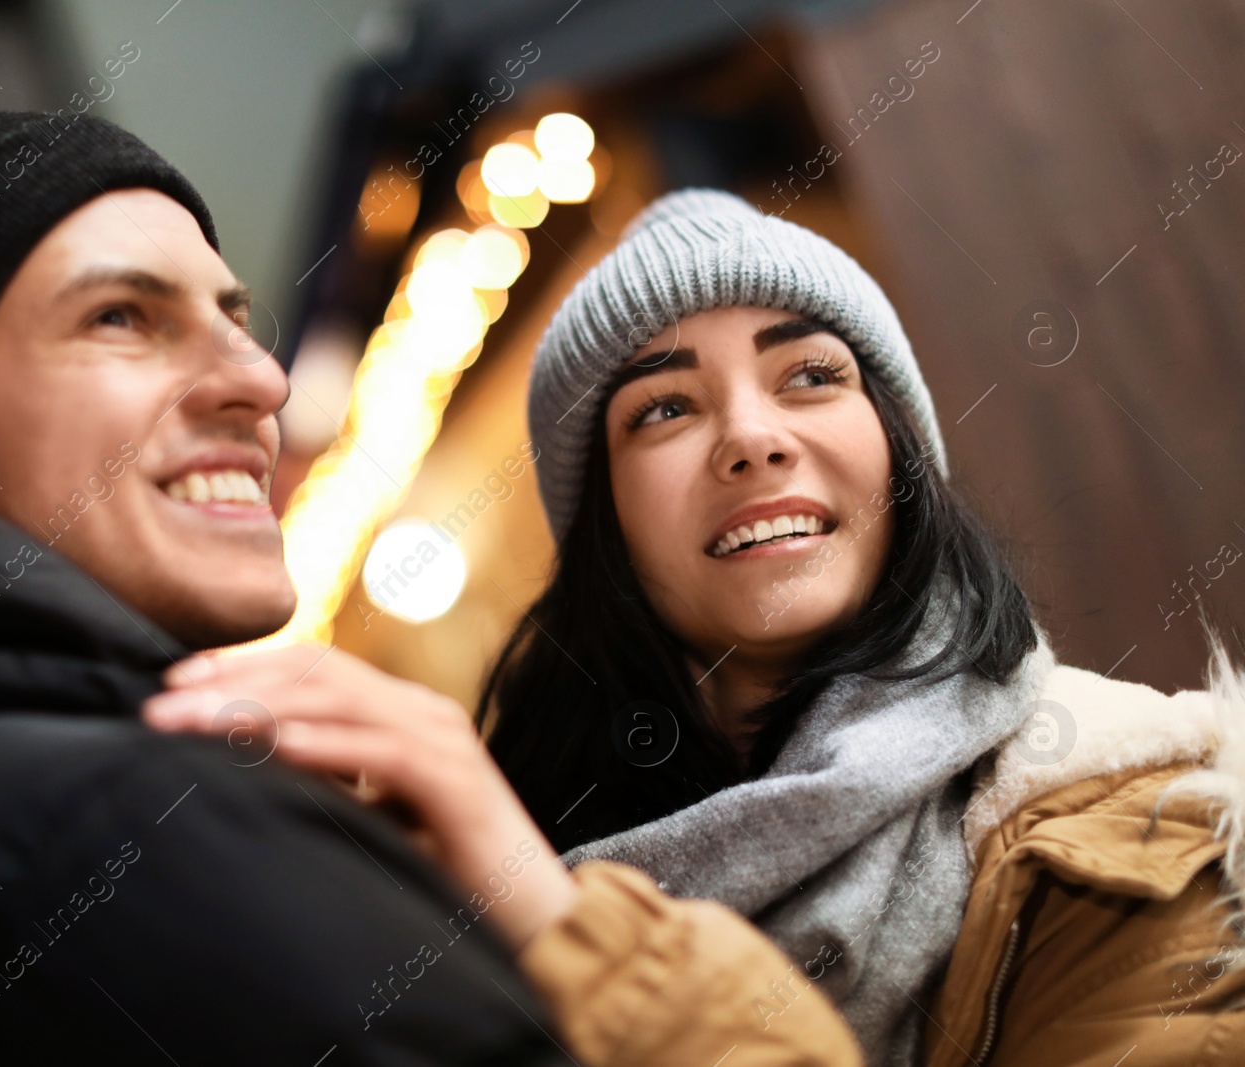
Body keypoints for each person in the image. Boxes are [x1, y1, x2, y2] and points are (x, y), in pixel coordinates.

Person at [145, 189, 1245, 1066]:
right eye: (663, 408)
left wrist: (565, 930)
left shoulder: (1143, 826)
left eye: (811, 374)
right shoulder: (495, 854)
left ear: (898, 457)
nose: (752, 436)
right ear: (604, 533)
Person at [0, 111, 588, 1066]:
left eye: (232, 315)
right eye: (121, 317)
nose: (261, 378)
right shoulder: (99, 824)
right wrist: (548, 913)